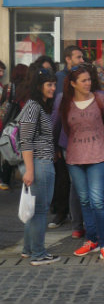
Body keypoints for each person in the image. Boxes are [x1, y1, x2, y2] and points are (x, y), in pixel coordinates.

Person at [58, 64, 104, 264]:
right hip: (75, 159)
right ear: (73, 84)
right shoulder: (66, 102)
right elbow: (67, 130)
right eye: (83, 80)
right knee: (84, 200)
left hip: (98, 158)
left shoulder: (100, 98)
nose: (88, 83)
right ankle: (91, 239)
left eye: (89, 79)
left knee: (98, 201)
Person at [18, 68, 60, 265]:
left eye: (54, 84)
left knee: (35, 210)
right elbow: (25, 140)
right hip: (39, 164)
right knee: (41, 211)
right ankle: (38, 254)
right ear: (39, 86)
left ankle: (29, 249)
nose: (53, 88)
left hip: (41, 163)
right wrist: (30, 170)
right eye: (49, 84)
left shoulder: (39, 106)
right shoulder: (33, 106)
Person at [49, 46, 85, 232]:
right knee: (66, 180)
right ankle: (64, 214)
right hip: (65, 141)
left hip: (82, 143)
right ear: (68, 59)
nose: (81, 60)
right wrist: (53, 144)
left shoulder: (88, 87)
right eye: (78, 57)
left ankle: (77, 217)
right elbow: (56, 114)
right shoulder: (59, 80)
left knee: (78, 184)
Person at [0, 64, 28, 190]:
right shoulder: (28, 88)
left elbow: (2, 103)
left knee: (10, 149)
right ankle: (25, 177)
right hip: (22, 122)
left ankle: (5, 180)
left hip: (10, 123)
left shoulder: (8, 87)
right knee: (23, 150)